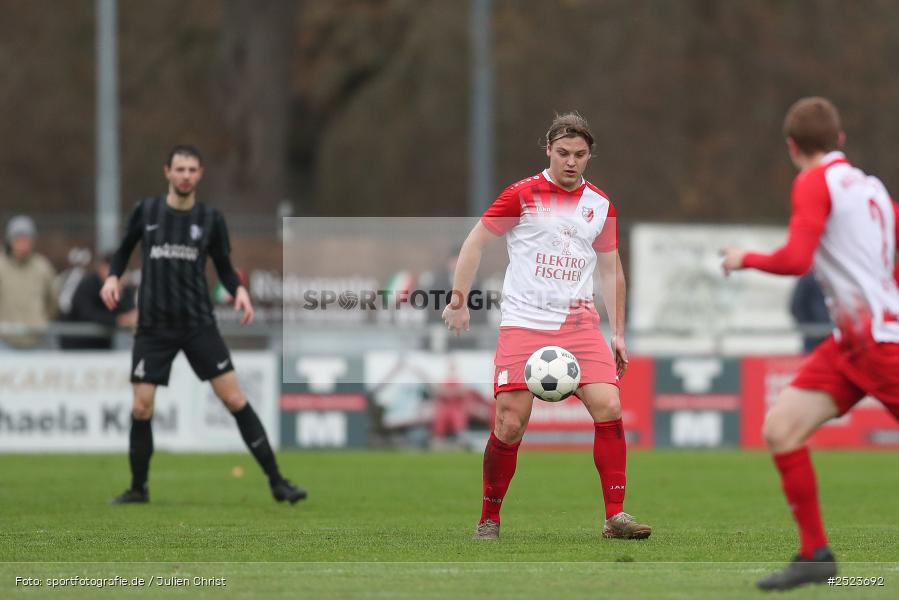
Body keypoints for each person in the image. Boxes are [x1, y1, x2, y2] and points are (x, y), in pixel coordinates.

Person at [443, 112, 651, 541]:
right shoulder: (522, 194)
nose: (571, 162)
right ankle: (489, 518)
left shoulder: (601, 205)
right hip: (524, 322)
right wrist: (458, 301)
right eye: (563, 153)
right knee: (510, 424)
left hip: (579, 324)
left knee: (610, 406)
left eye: (579, 154)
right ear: (548, 151)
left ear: (589, 155)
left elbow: (611, 271)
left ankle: (615, 517)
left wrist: (618, 332)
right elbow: (475, 242)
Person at [721, 97, 899, 590]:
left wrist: (744, 259)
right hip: (851, 345)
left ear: (792, 147)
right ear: (840, 139)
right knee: (782, 429)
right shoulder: (871, 187)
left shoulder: (813, 181)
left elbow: (797, 259)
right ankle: (815, 554)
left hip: (881, 345)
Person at [101, 144, 306, 505]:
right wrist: (112, 278)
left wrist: (238, 291)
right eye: (180, 169)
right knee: (141, 407)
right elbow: (122, 251)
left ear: (200, 174)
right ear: (167, 172)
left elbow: (224, 266)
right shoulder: (147, 211)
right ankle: (138, 488)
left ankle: (277, 481)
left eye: (192, 170)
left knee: (234, 398)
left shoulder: (211, 219)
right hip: (154, 327)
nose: (186, 176)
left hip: (198, 324)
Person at [0, 215, 58, 349]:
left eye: (27, 239)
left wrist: (40, 320)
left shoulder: (43, 267)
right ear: (10, 241)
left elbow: (53, 302)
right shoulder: (1, 266)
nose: (23, 244)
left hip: (38, 340)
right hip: (4, 341)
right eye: (19, 239)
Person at [60, 253, 137, 349]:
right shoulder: (88, 285)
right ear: (102, 268)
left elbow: (129, 314)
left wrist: (120, 294)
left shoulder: (125, 289)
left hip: (104, 345)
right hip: (76, 344)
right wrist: (117, 320)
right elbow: (87, 313)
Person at [789, 273, 831, 353]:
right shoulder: (808, 277)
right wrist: (810, 328)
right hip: (813, 338)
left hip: (834, 336)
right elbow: (796, 306)